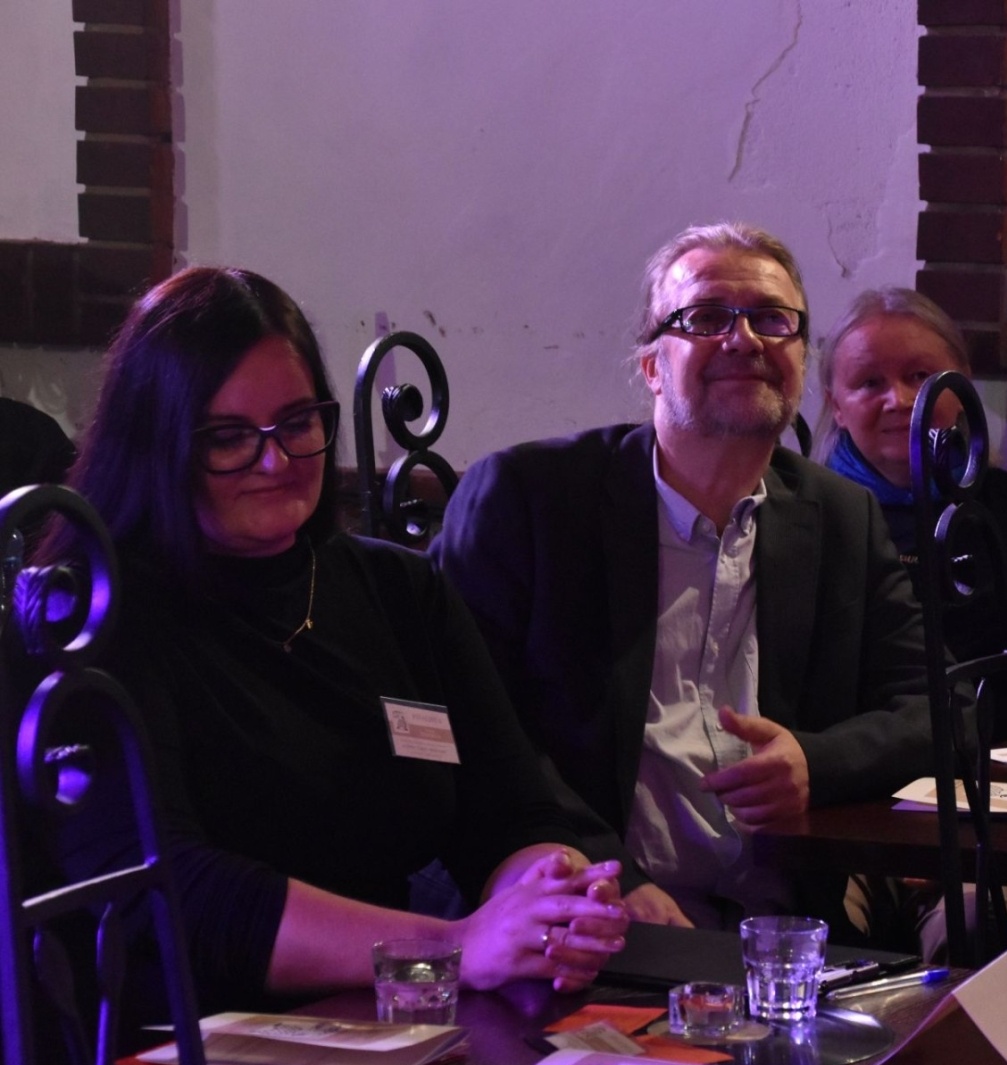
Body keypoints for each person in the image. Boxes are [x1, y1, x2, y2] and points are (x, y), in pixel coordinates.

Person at [41, 268, 630, 1026]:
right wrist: (452, 946)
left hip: (392, 1018)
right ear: (156, 446)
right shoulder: (94, 614)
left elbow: (511, 812)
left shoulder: (399, 591)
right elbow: (171, 890)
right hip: (181, 1032)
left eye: (297, 422)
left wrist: (553, 896)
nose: (275, 460)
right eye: (228, 437)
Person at [432, 222, 932, 932]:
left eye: (772, 320)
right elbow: (469, 724)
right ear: (651, 367)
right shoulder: (529, 499)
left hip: (775, 925)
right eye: (705, 317)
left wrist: (816, 763)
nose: (744, 340)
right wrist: (605, 873)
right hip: (578, 916)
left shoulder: (844, 517)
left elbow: (939, 708)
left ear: (801, 358)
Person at [814, 286, 1007, 744]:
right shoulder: (806, 517)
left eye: (919, 376)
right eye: (869, 383)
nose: (899, 399)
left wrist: (998, 777)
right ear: (837, 407)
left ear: (963, 386)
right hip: (847, 770)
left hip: (999, 775)